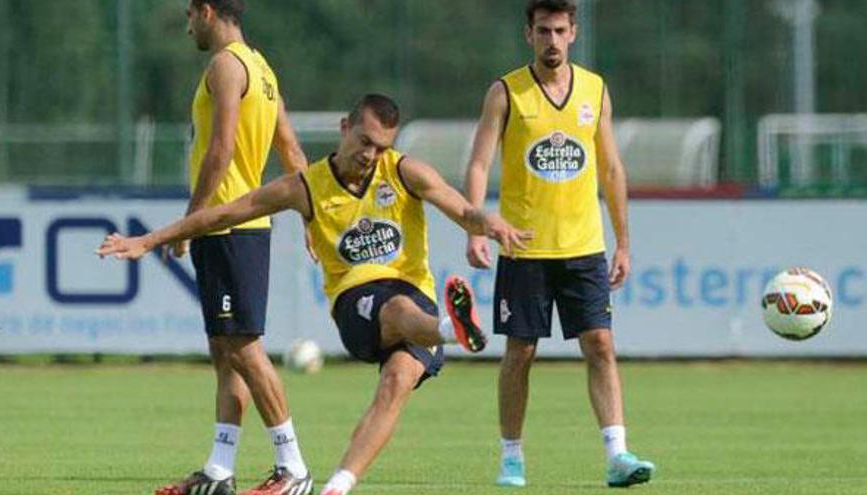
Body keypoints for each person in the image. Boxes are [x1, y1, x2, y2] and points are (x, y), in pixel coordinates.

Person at [98, 94, 531, 495]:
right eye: (365, 142)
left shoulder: (403, 171)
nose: (371, 155)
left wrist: (488, 224)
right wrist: (150, 240)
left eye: (382, 147)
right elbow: (226, 212)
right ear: (344, 128)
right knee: (398, 309)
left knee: (396, 383)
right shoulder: (306, 186)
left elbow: (461, 208)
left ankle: (336, 486)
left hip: (417, 298)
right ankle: (450, 330)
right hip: (357, 303)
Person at [463, 0, 655, 488]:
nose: (552, 40)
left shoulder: (595, 89)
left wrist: (623, 242)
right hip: (525, 247)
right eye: (543, 30)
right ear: (529, 34)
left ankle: (617, 454)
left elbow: (611, 169)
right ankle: (511, 456)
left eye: (560, 31)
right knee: (521, 352)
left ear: (574, 33)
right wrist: (475, 226)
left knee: (600, 345)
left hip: (584, 246)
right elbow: (480, 163)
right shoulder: (506, 92)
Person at [151, 1, 314, 494]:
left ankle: (294, 468)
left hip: (227, 225)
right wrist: (311, 215)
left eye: (188, 14)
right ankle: (219, 470)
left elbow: (220, 149)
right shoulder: (261, 67)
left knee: (243, 347)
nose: (186, 25)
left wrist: (189, 221)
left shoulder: (225, 65)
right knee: (225, 350)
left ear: (206, 10)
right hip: (242, 227)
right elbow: (290, 147)